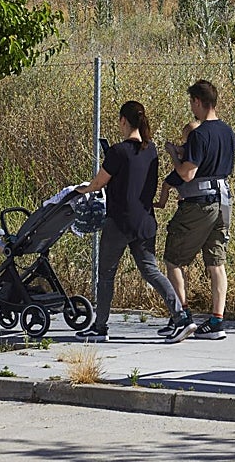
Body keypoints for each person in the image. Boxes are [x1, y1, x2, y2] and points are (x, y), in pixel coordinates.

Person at [73, 100, 188, 343]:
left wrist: (81, 191)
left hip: (120, 222)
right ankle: (181, 318)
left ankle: (100, 327)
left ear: (124, 121)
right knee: (151, 271)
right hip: (145, 221)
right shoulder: (151, 150)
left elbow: (98, 183)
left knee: (106, 273)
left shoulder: (117, 151)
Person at [157, 79, 235, 343]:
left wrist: (174, 155)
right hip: (223, 200)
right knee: (216, 262)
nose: (191, 108)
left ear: (198, 102)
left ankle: (183, 318)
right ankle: (216, 321)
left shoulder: (200, 134)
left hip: (199, 204)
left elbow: (187, 173)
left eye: (192, 102)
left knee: (173, 260)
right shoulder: (227, 131)